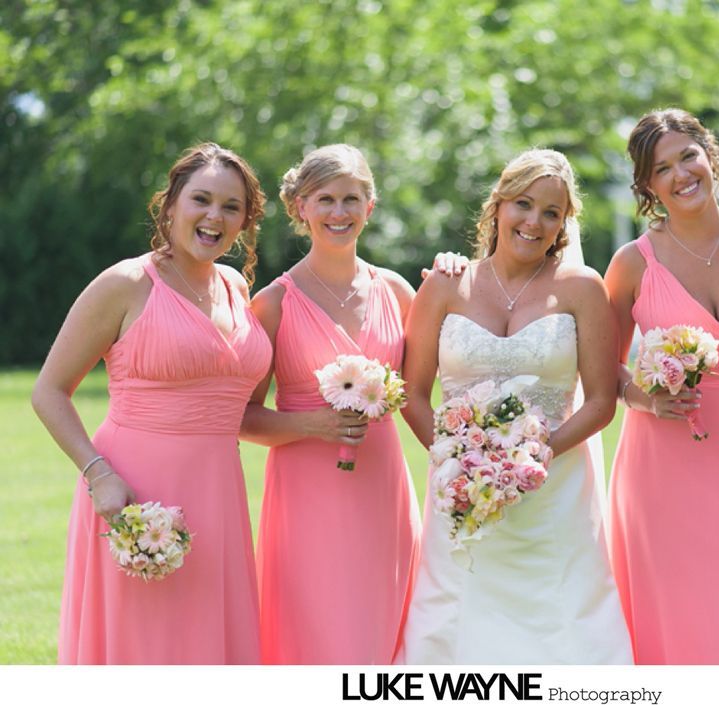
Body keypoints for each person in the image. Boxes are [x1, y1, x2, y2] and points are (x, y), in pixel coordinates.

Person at [32, 143, 270, 664]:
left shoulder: (235, 286)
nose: (215, 217)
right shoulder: (126, 284)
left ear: (244, 221)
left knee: (207, 640)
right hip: (135, 492)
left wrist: (321, 425)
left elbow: (242, 408)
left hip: (218, 493)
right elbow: (48, 391)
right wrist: (98, 474)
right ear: (170, 207)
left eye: (231, 207)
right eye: (201, 200)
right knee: (142, 642)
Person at [395, 149, 633, 664]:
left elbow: (598, 403)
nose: (534, 222)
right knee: (459, 617)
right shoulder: (444, 285)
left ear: (563, 224)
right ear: (497, 206)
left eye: (552, 212)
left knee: (560, 619)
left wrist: (529, 459)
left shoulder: (582, 288)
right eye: (523, 204)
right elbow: (412, 394)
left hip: (555, 493)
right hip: (461, 491)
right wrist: (459, 461)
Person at [604, 108, 719, 664]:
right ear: (647, 186)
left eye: (689, 155)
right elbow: (604, 369)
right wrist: (646, 396)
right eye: (663, 168)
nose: (681, 174)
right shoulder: (632, 263)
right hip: (663, 459)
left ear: (710, 156)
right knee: (677, 606)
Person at [241, 144, 429, 664]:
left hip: (381, 483)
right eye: (325, 199)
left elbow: (426, 383)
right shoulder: (274, 304)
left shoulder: (396, 291)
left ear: (371, 206)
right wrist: (314, 425)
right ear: (301, 206)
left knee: (387, 617)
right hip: (306, 492)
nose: (339, 213)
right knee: (317, 624)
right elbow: (244, 417)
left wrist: (456, 272)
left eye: (351, 199)